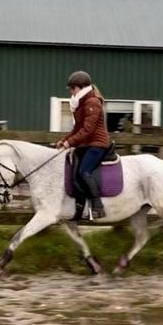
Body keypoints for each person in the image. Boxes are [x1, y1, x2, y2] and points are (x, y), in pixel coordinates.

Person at [56, 70, 111, 220]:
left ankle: (98, 207)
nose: (71, 92)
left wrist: (70, 143)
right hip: (86, 144)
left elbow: (87, 130)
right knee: (74, 174)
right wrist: (64, 139)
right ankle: (79, 210)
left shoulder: (92, 102)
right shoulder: (80, 104)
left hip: (97, 144)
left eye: (73, 88)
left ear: (81, 87)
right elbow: (77, 128)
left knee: (84, 172)